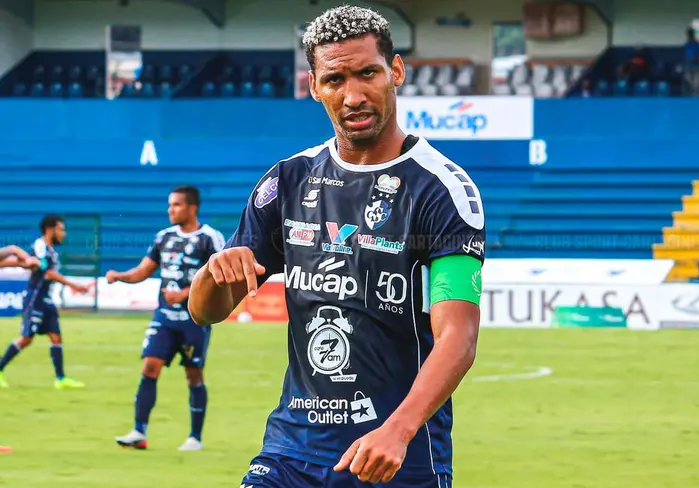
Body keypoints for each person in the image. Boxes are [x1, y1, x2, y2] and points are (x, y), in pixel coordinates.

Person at [188, 5, 484, 487]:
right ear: (314, 86)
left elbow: (458, 336)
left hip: (396, 457)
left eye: (367, 73)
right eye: (335, 80)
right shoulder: (288, 181)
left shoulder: (440, 189)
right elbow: (205, 312)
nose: (353, 95)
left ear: (396, 71)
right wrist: (213, 271)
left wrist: (398, 430)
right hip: (290, 451)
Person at [110, 186, 225, 452]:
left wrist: (185, 294)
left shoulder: (210, 238)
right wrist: (120, 276)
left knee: (193, 375)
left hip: (194, 320)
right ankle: (139, 431)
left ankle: (195, 438)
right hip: (164, 317)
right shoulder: (164, 237)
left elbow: (219, 276)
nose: (170, 210)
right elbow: (143, 271)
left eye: (176, 205)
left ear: (192, 208)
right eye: (170, 205)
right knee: (149, 367)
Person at [0, 215, 90, 389]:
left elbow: (26, 263)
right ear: (50, 230)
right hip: (35, 299)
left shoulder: (51, 251)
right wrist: (73, 285)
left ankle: (61, 379)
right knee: (26, 339)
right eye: (61, 229)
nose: (64, 234)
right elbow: (47, 273)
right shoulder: (40, 247)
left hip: (46, 299)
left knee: (56, 337)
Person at [684, 27, 699, 96]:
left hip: (696, 64)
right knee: (688, 78)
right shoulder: (686, 43)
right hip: (688, 64)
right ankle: (689, 94)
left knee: (697, 80)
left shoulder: (697, 43)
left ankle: (697, 94)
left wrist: (696, 58)